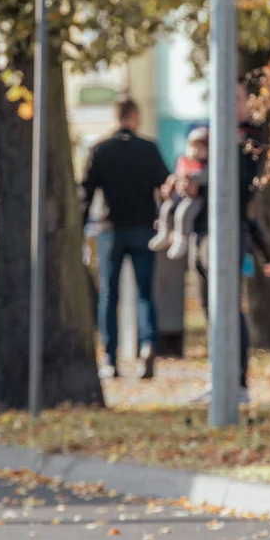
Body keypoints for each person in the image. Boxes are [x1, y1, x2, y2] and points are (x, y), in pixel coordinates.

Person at [184, 83, 270, 404]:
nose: (227, 104)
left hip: (228, 230)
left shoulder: (250, 137)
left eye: (235, 98)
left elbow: (238, 182)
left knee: (228, 307)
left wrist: (201, 183)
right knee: (210, 308)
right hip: (201, 230)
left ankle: (237, 383)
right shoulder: (215, 135)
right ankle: (218, 377)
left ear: (247, 101)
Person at [81, 98, 170, 379]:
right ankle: (147, 345)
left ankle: (110, 358)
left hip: (111, 229)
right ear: (135, 116)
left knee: (109, 295)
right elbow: (165, 186)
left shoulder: (101, 149)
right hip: (144, 228)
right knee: (145, 294)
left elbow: (86, 193)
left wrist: (81, 231)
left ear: (116, 116)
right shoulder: (149, 148)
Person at [150, 126, 209, 260]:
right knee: (166, 207)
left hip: (197, 207)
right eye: (194, 147)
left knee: (183, 212)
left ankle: (182, 239)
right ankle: (164, 232)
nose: (196, 152)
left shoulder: (208, 166)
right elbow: (177, 176)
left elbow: (203, 179)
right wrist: (173, 182)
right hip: (182, 198)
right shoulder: (186, 162)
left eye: (200, 148)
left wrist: (192, 180)